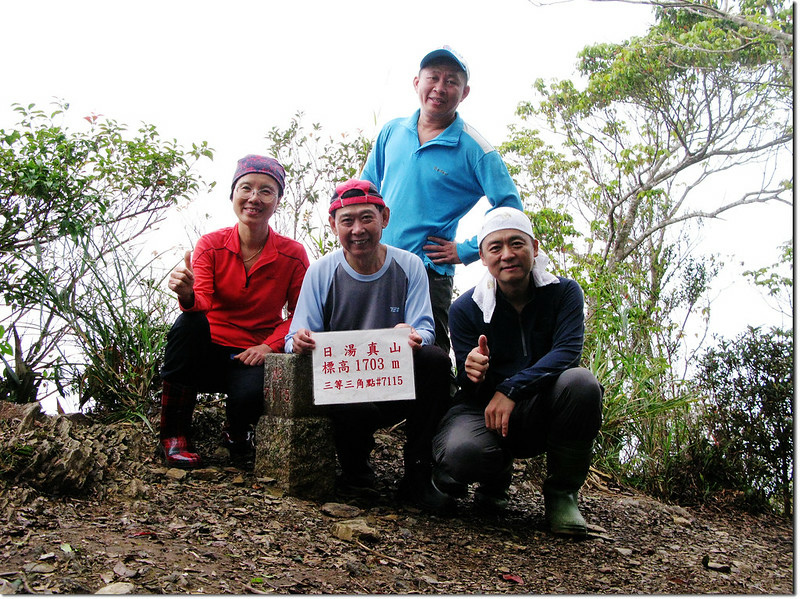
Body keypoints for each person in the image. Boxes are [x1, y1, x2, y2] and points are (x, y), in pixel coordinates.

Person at [429, 207, 604, 537]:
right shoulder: (466, 308)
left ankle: (562, 495)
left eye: (517, 244)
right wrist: (472, 372)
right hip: (484, 412)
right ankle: (495, 477)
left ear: (534, 248)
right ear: (482, 256)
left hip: (541, 409)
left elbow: (567, 354)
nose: (507, 255)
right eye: (495, 247)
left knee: (581, 383)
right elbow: (469, 387)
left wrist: (511, 389)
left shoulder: (564, 293)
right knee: (461, 452)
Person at [286, 179, 451, 502]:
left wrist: (412, 334)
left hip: (393, 379)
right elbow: (295, 335)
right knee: (354, 406)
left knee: (435, 361)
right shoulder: (321, 271)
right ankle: (356, 472)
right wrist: (302, 340)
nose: (358, 229)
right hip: (345, 388)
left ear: (384, 218)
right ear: (333, 225)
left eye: (367, 218)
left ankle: (418, 474)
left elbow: (426, 329)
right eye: (347, 221)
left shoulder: (410, 265)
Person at [361, 45, 524, 354]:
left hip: (428, 272)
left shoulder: (476, 149)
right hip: (376, 264)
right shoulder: (392, 131)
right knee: (373, 353)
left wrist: (465, 250)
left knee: (428, 355)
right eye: (432, 77)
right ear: (416, 83)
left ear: (464, 93)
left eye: (451, 81)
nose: (439, 88)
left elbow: (510, 210)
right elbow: (365, 189)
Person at [159, 155, 309, 469]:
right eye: (246, 188)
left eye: (266, 191)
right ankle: (174, 435)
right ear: (233, 196)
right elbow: (202, 301)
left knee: (250, 395)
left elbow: (300, 313)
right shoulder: (211, 245)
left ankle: (237, 432)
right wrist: (187, 293)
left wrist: (269, 346)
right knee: (188, 323)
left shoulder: (292, 254)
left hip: (251, 352)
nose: (254, 198)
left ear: (277, 201)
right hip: (208, 349)